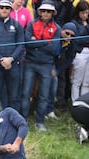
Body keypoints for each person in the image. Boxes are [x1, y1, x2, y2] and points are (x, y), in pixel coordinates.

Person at [21, 0, 61, 131]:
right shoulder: (32, 24)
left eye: (48, 11)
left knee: (44, 95)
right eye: (43, 11)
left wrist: (36, 42)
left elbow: (54, 48)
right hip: (30, 63)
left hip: (46, 65)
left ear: (52, 13)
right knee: (26, 93)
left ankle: (40, 121)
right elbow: (27, 42)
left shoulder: (57, 28)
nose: (45, 13)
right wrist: (45, 42)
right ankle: (23, 120)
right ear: (39, 11)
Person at [0, 0, 24, 111]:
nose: (4, 10)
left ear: (10, 10)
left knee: (14, 95)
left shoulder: (17, 25)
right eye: (2, 7)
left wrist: (11, 59)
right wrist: (1, 59)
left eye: (7, 8)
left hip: (13, 64)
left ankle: (14, 121)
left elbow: (21, 44)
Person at [70, 0, 89, 103]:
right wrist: (88, 37)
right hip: (79, 53)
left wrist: (87, 27)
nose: (85, 15)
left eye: (86, 12)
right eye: (82, 13)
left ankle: (84, 102)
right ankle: (75, 102)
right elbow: (77, 40)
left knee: (87, 81)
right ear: (78, 12)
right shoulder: (74, 23)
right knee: (77, 81)